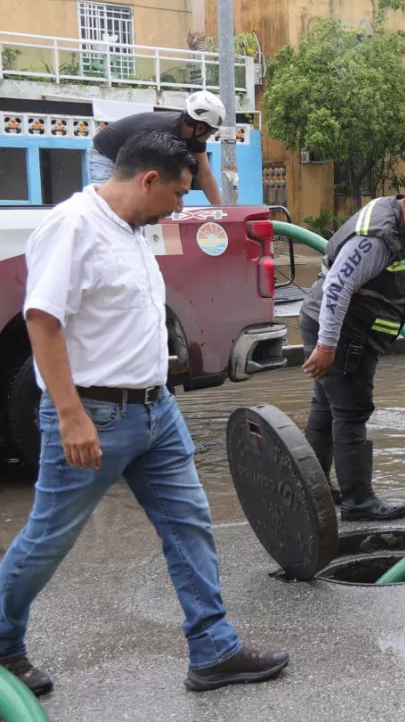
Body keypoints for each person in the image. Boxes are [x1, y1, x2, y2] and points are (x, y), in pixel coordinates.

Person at [0, 131, 288, 696]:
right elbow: (42, 321)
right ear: (148, 179)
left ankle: (213, 649)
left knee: (190, 527)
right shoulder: (73, 226)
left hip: (156, 413)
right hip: (96, 415)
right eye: (177, 194)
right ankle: (4, 645)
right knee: (49, 538)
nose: (181, 207)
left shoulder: (134, 230)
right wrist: (69, 415)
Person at [299, 175, 405, 521]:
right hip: (342, 334)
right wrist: (328, 345)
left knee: (328, 408)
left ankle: (314, 489)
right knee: (352, 411)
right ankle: (357, 501)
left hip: (341, 328)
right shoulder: (380, 238)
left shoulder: (394, 216)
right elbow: (338, 288)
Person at [88, 91, 226, 205]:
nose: (210, 136)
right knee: (107, 206)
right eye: (211, 132)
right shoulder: (161, 132)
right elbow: (144, 173)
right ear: (200, 127)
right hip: (105, 153)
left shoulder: (195, 137)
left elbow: (205, 175)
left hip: (130, 158)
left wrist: (222, 211)